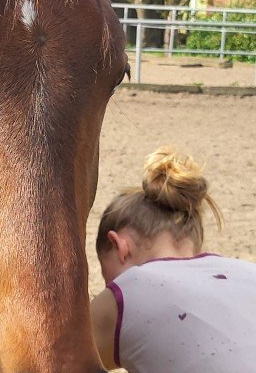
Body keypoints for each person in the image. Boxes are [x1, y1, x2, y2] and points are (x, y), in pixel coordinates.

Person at [91, 146, 256, 372]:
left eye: (107, 276)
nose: (110, 286)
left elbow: (53, 356)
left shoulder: (130, 289)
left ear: (121, 246)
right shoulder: (248, 272)